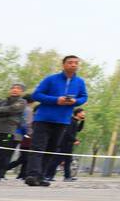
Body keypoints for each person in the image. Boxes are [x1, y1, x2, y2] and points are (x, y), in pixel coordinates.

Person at [24, 55, 89, 187]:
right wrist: (56, 100)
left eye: (76, 63)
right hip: (44, 118)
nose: (73, 65)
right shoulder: (51, 79)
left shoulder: (80, 82)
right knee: (38, 147)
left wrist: (75, 101)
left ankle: (42, 176)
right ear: (63, 64)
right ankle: (32, 175)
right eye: (70, 62)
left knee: (52, 148)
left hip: (63, 120)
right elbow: (37, 95)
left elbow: (84, 97)